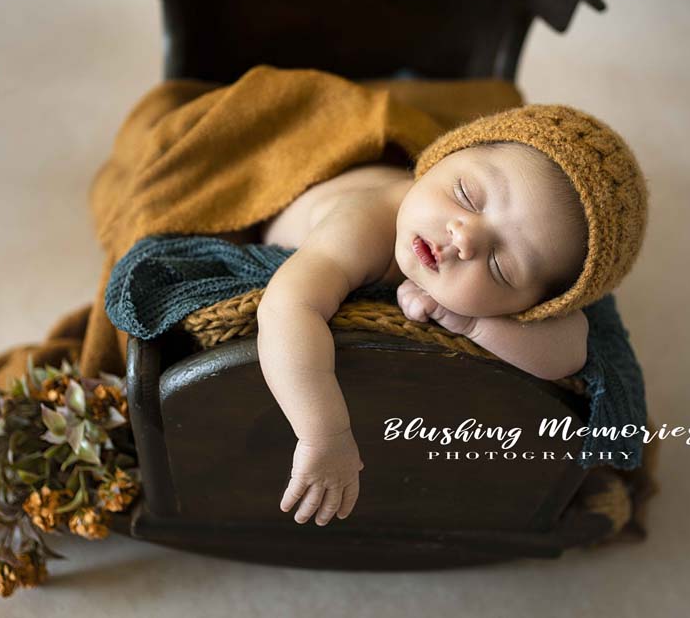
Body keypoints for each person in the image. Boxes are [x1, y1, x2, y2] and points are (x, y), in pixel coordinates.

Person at [254, 103, 648, 527]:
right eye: (466, 195)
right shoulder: (365, 223)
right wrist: (324, 434)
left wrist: (470, 322)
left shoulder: (495, 292)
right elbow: (287, 306)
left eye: (500, 266)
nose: (463, 236)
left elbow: (569, 353)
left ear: (532, 307)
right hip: (285, 201)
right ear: (445, 156)